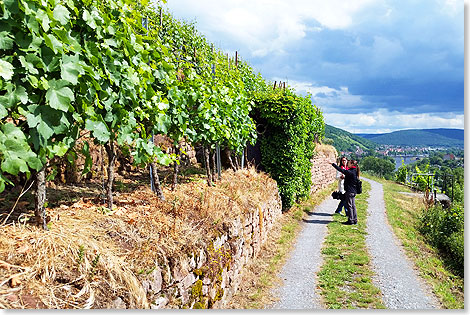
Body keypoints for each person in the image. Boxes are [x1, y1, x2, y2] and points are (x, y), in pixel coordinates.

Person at [331, 159, 360, 225]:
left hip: (349, 191)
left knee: (349, 206)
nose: (347, 164)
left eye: (349, 163)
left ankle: (350, 220)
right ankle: (354, 220)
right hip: (353, 191)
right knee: (353, 206)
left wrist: (333, 164)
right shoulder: (354, 171)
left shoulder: (350, 171)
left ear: (352, 164)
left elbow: (341, 170)